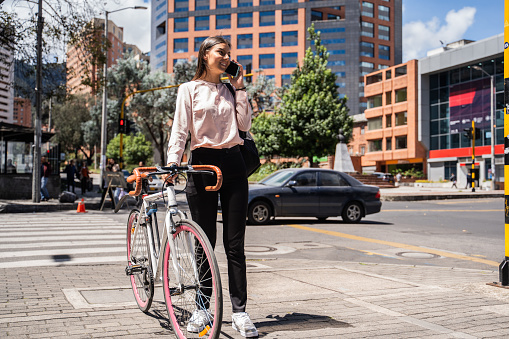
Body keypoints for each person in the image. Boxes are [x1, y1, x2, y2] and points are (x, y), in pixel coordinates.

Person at [165, 36, 257, 337]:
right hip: (202, 165)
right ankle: (203, 308)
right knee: (204, 243)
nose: (226, 57)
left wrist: (241, 89)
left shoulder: (233, 90)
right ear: (205, 55)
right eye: (221, 52)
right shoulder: (188, 90)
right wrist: (172, 162)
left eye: (229, 53)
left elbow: (244, 127)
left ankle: (240, 312)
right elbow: (180, 129)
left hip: (233, 165)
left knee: (235, 246)